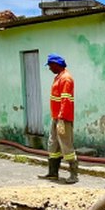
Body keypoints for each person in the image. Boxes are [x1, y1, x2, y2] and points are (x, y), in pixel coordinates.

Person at [37, 53, 77, 184]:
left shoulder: (66, 78)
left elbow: (66, 100)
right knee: (53, 145)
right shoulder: (58, 77)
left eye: (50, 65)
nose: (49, 68)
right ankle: (53, 173)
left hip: (63, 118)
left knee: (66, 146)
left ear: (56, 65)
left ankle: (74, 175)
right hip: (57, 117)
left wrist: (61, 118)